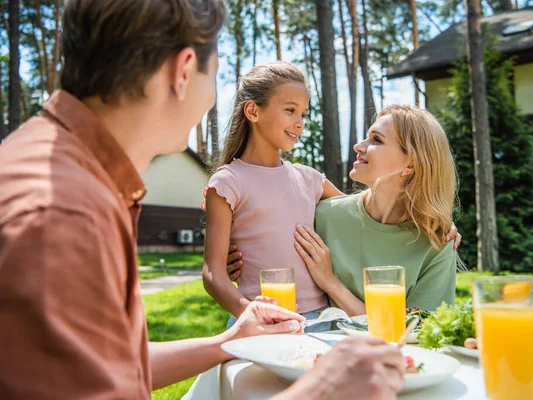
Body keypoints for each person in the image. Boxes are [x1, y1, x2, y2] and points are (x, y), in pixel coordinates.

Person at [0, 0, 406, 398]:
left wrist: (229, 340)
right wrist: (322, 390)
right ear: (182, 72)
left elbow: (107, 365)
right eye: (213, 76)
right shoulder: (61, 211)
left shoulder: (63, 177)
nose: (213, 99)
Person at [227, 106, 460, 314]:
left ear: (410, 165)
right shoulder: (323, 215)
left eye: (376, 140)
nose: (359, 146)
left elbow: (414, 334)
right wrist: (237, 258)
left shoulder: (436, 244)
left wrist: (330, 282)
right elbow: (267, 249)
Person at [201, 61, 344, 329]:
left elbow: (365, 212)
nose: (299, 123)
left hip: (321, 322)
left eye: (303, 113)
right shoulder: (228, 183)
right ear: (253, 111)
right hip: (260, 324)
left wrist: (431, 219)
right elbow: (213, 273)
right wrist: (254, 313)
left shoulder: (310, 179)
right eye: (290, 110)